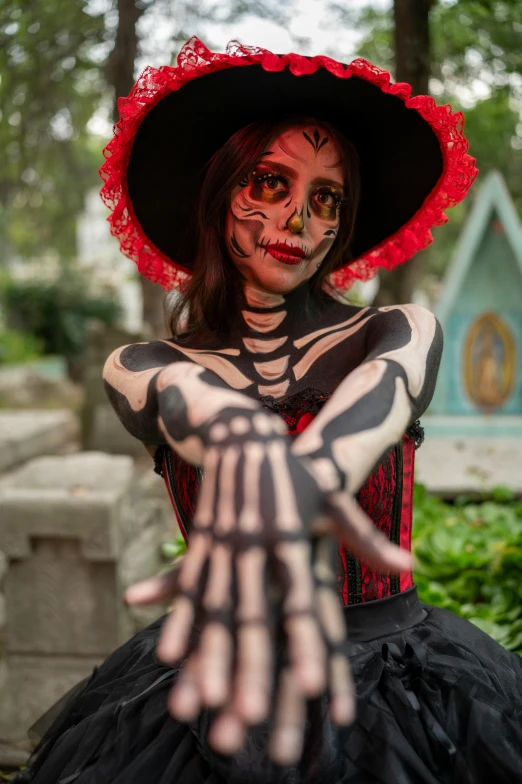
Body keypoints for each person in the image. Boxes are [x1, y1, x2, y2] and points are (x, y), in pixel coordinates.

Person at [16, 37, 522, 784]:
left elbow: (378, 402)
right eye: (270, 183)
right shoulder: (146, 365)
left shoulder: (398, 330)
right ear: (222, 195)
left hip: (403, 688)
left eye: (326, 198)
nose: (300, 220)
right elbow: (203, 416)